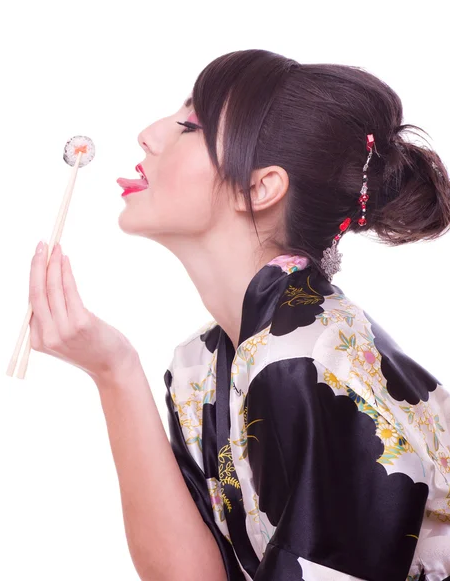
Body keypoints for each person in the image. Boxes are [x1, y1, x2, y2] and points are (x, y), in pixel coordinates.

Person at [28, 49, 450, 580]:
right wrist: (114, 372)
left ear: (260, 186)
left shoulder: (308, 361)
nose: (148, 135)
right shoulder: (203, 363)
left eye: (189, 126)